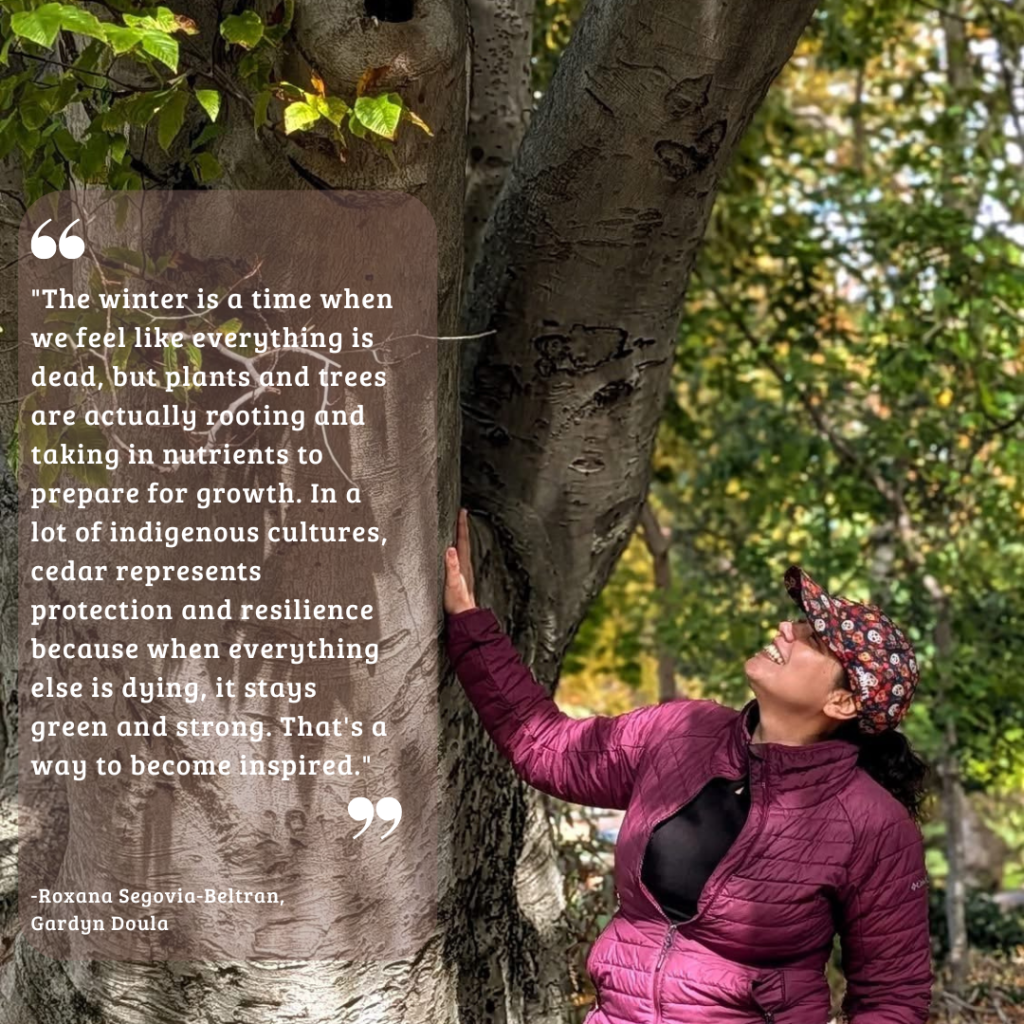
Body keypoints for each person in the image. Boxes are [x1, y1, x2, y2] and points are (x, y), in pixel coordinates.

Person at [443, 508, 933, 1024]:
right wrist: (470, 625)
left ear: (843, 703)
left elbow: (892, 999)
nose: (787, 628)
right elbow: (547, 748)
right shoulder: (682, 734)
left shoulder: (873, 824)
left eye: (813, 638)